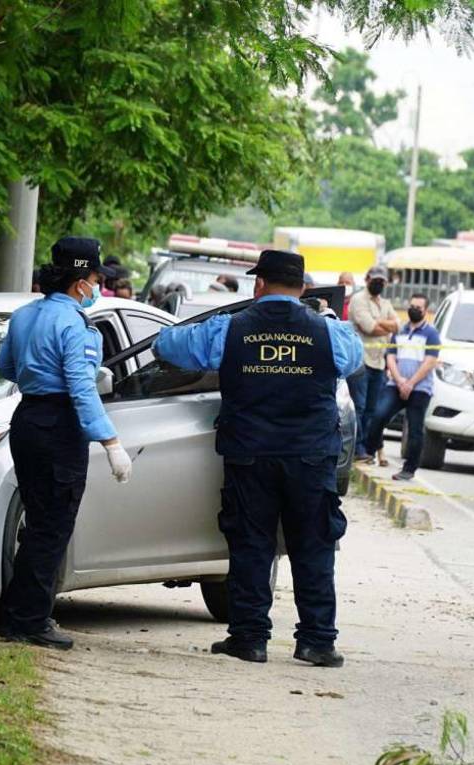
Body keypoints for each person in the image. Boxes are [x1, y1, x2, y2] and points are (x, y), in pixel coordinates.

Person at [152, 250, 363, 667]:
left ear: (258, 285)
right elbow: (355, 358)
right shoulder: (328, 332)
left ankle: (249, 639)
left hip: (250, 453)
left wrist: (220, 320)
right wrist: (327, 318)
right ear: (302, 289)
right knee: (314, 546)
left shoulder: (230, 330)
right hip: (309, 456)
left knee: (251, 544)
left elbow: (166, 345)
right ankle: (317, 642)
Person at [0, 236, 134, 651]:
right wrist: (111, 441)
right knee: (52, 527)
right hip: (59, 426)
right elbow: (82, 387)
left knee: (37, 522)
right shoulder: (75, 324)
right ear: (80, 283)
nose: (98, 288)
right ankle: (31, 621)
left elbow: (4, 366)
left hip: (27, 420)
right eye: (96, 279)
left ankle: (18, 615)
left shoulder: (23, 316)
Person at [362, 293, 440, 482]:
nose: (414, 310)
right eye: (412, 306)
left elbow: (430, 362)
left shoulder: (431, 334)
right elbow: (390, 357)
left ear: (425, 311)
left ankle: (409, 469)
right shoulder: (400, 331)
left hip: (420, 388)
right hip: (396, 384)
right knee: (379, 415)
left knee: (414, 429)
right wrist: (400, 381)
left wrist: (411, 383)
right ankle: (368, 452)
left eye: (418, 308)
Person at [348, 265, 399, 463]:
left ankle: (367, 449)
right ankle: (358, 448)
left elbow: (397, 325)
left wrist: (381, 323)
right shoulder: (358, 300)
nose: (378, 283)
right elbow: (370, 328)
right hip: (361, 360)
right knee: (359, 406)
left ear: (385, 283)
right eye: (374, 279)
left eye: (381, 280)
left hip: (379, 362)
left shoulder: (384, 303)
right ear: (367, 279)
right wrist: (384, 324)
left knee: (373, 409)